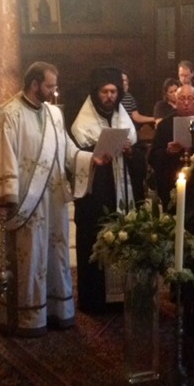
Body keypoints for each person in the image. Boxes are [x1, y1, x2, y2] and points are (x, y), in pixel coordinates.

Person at [0, 63, 94, 335]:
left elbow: (67, 148)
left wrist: (91, 159)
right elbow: (3, 156)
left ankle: (57, 310)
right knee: (30, 256)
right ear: (34, 85)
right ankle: (28, 317)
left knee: (56, 253)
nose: (54, 91)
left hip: (54, 201)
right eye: (49, 86)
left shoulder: (54, 113)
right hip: (27, 201)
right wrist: (5, 198)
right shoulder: (10, 115)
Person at [71, 67, 138, 313]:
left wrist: (129, 151)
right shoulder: (82, 124)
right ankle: (95, 299)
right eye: (104, 92)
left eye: (113, 92)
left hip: (122, 190)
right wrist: (95, 155)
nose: (109, 96)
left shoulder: (123, 118)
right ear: (96, 93)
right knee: (95, 237)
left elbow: (138, 159)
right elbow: (74, 157)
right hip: (96, 194)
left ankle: (122, 296)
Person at [148, 84, 194, 208]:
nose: (186, 103)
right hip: (172, 180)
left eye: (191, 98)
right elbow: (153, 157)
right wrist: (168, 151)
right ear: (176, 102)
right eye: (182, 99)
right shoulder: (165, 125)